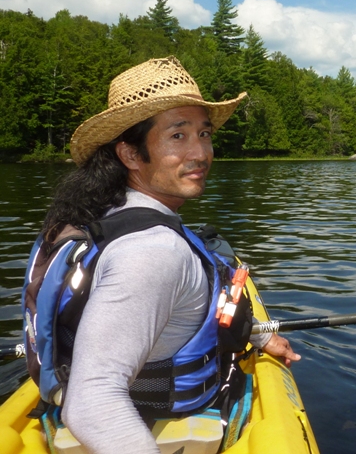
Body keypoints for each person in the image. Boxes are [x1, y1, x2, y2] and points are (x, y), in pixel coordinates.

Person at [39, 56, 300, 453]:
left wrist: (257, 337)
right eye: (178, 136)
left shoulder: (101, 215)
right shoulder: (152, 251)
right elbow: (92, 400)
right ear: (129, 154)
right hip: (144, 421)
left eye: (204, 134)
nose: (201, 153)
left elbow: (171, 309)